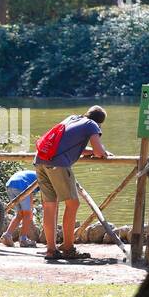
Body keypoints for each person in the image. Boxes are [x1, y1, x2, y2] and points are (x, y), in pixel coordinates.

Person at [35, 105, 111, 261]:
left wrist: (90, 151)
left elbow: (69, 145)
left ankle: (51, 250)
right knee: (73, 204)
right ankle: (68, 248)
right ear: (100, 123)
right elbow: (98, 152)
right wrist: (102, 152)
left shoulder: (72, 119)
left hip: (40, 159)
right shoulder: (92, 125)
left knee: (50, 205)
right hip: (57, 164)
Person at [1, 169, 39, 248]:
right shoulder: (43, 177)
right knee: (28, 214)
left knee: (19, 214)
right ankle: (23, 240)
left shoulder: (34, 174)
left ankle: (7, 235)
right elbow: (31, 192)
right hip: (21, 185)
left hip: (10, 185)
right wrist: (31, 210)